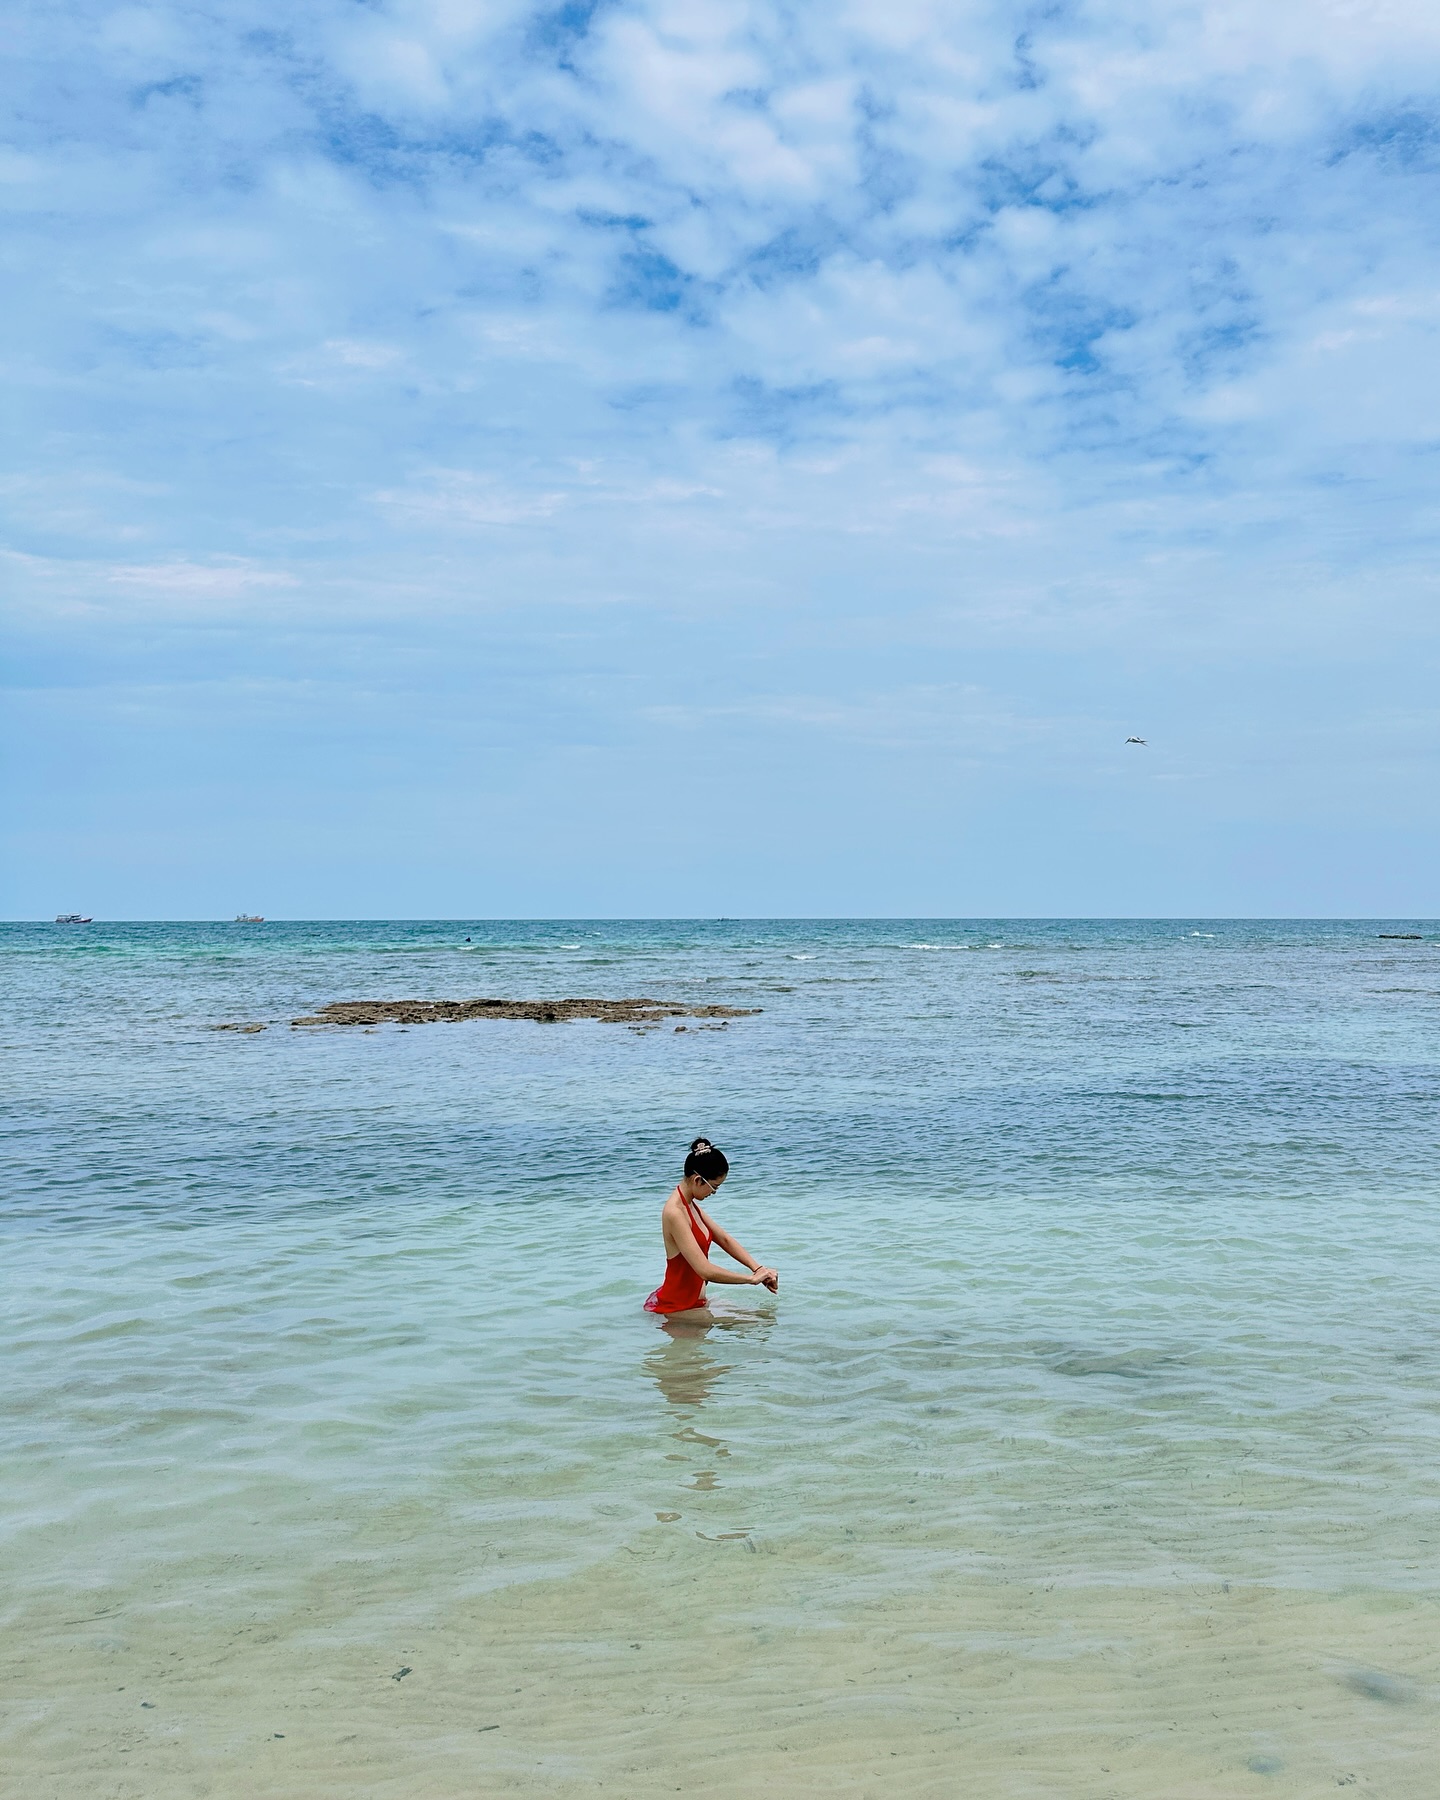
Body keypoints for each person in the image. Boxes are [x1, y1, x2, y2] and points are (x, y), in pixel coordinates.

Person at [644, 1138, 778, 1315]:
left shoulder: (689, 1204)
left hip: (696, 1303)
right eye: (714, 1187)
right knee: (756, 1324)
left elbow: (724, 1239)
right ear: (698, 1180)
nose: (714, 1193)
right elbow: (704, 1270)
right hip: (678, 1308)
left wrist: (758, 1269)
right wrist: (751, 1280)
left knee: (763, 1320)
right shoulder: (674, 1212)